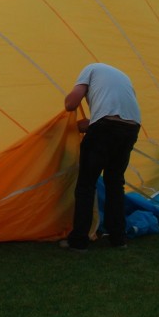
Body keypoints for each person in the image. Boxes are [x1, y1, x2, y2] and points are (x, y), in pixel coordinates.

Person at [61, 62, 141, 251]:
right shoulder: (124, 78)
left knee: (86, 185)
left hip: (105, 127)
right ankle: (118, 239)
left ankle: (79, 240)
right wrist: (84, 126)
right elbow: (115, 118)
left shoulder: (89, 70)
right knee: (114, 183)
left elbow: (70, 104)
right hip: (132, 128)